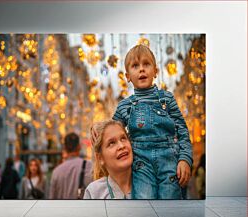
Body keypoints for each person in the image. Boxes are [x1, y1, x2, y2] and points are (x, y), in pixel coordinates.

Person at [112, 44, 193, 199]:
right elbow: (112, 130)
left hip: (170, 162)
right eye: (135, 66)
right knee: (145, 204)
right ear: (128, 76)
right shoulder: (125, 105)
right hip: (141, 164)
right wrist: (98, 128)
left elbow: (182, 131)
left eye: (146, 64)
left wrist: (185, 159)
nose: (141, 69)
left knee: (170, 207)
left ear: (155, 71)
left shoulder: (167, 99)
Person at [84, 120, 133, 199]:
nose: (121, 146)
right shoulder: (94, 193)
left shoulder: (150, 183)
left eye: (123, 138)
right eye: (111, 143)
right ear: (100, 158)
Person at [49, 132, 92, 199]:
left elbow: (51, 198)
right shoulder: (88, 166)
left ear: (65, 148)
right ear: (79, 147)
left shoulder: (56, 172)